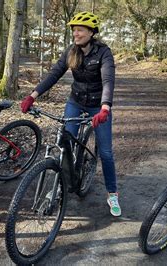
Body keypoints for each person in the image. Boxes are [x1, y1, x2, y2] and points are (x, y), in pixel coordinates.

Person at [20, 11, 121, 217]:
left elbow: (108, 81)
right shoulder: (71, 51)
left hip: (97, 105)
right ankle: (61, 184)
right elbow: (54, 74)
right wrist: (33, 95)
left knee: (106, 153)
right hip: (75, 101)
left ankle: (112, 193)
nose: (76, 34)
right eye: (74, 30)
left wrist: (105, 107)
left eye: (80, 30)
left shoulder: (103, 53)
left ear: (91, 32)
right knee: (65, 143)